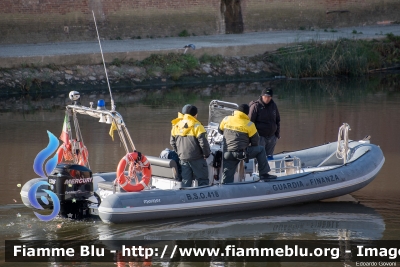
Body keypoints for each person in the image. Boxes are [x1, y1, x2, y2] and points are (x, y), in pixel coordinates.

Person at [218, 104, 277, 183]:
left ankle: (224, 189)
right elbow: (255, 142)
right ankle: (263, 174)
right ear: (247, 113)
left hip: (227, 153)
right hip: (241, 153)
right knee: (261, 150)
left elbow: (220, 131)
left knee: (227, 177)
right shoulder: (249, 124)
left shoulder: (226, 119)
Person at [170, 105, 211, 187]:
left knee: (186, 181)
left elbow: (172, 142)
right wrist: (206, 154)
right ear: (195, 115)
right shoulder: (198, 126)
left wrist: (179, 153)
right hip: (197, 158)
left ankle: (186, 198)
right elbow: (204, 143)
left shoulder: (176, 125)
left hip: (183, 158)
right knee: (202, 180)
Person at [249, 88, 280, 157]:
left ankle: (268, 167)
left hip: (272, 137)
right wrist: (253, 138)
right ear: (262, 96)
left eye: (269, 97)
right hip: (260, 137)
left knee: (269, 157)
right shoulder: (255, 106)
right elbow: (250, 122)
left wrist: (277, 134)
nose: (267, 98)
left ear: (271, 97)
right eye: (265, 96)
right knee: (259, 157)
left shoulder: (273, 105)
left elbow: (277, 120)